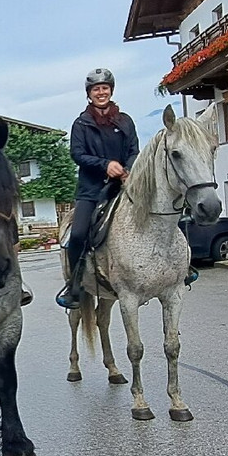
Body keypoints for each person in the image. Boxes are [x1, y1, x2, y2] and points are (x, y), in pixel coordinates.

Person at [56, 68, 139, 309]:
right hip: (91, 190)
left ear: (111, 90)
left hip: (122, 186)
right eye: (96, 89)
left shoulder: (126, 121)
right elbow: (78, 154)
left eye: (104, 88)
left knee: (157, 208)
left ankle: (180, 265)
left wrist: (128, 170)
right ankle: (74, 286)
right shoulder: (81, 123)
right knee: (78, 234)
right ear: (89, 94)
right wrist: (106, 165)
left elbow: (134, 150)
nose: (101, 92)